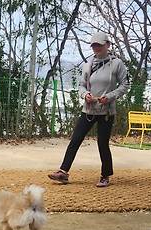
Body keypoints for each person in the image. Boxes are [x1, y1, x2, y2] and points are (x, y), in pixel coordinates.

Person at [48, 31, 130, 187]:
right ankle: (63, 172)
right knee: (76, 139)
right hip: (89, 109)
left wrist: (110, 97)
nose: (96, 47)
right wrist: (85, 94)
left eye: (99, 45)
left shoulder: (117, 64)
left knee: (102, 143)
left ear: (107, 45)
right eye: (94, 45)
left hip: (106, 111)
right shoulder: (88, 63)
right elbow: (81, 85)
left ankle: (105, 175)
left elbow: (125, 85)